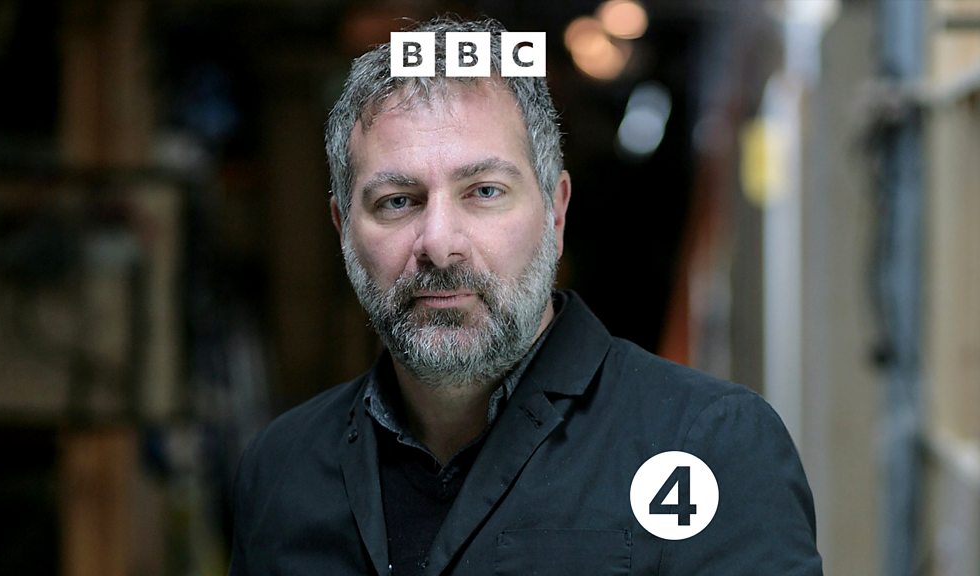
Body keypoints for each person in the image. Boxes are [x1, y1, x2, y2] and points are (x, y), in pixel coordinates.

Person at [229, 16, 823, 576]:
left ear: (556, 214)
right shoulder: (281, 470)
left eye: (484, 191)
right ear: (343, 229)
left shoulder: (709, 444)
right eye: (398, 201)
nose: (439, 244)